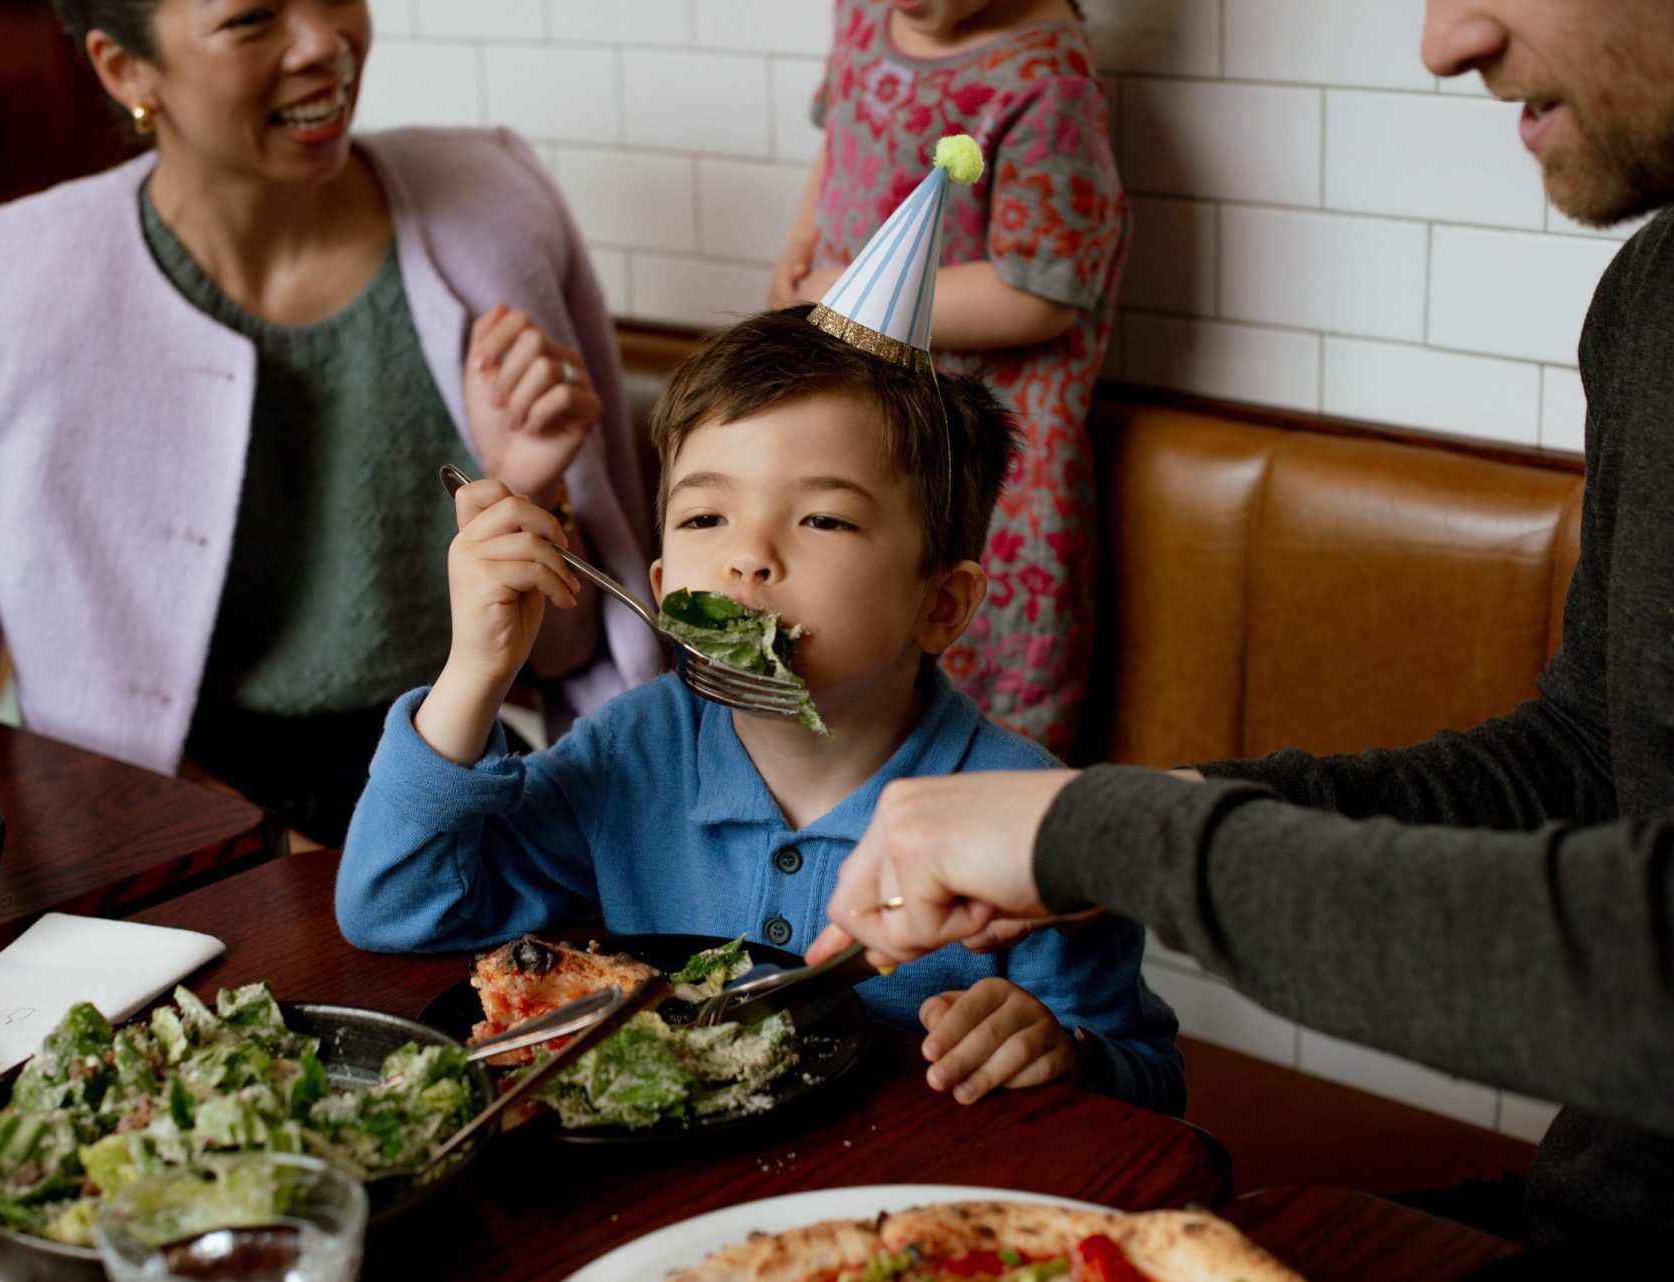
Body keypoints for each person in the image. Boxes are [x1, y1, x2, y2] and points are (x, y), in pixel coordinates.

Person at [807, 0, 1674, 1245]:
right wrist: (1154, 806)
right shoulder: (1650, 300)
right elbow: (1593, 759)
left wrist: (1109, 827)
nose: (1445, 41)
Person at [335, 304, 1182, 1113]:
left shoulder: (1026, 817)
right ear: (663, 591)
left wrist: (1062, 1054)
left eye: (823, 518)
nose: (747, 557)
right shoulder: (636, 753)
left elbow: (1153, 1084)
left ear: (941, 605)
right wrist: (474, 673)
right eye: (706, 515)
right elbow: (397, 908)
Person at [0, 0, 661, 845]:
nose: (323, 43)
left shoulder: (498, 202)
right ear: (126, 70)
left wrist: (528, 490)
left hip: (450, 791)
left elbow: (579, 656)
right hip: (146, 824)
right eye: (252, 18)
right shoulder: (10, 279)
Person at [770, 0, 1120, 757]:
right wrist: (800, 253)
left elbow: (1040, 292)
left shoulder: (1047, 80)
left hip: (977, 468)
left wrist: (836, 294)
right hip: (851, 427)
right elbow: (840, 143)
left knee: (973, 726)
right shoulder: (865, 16)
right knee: (841, 689)